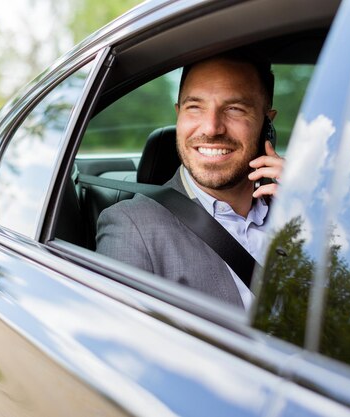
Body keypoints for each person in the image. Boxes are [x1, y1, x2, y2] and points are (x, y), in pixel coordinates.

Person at [96, 48, 284, 311]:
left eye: (234, 109)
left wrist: (312, 208)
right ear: (178, 113)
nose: (211, 127)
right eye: (194, 107)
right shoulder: (132, 227)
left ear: (267, 123)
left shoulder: (300, 210)